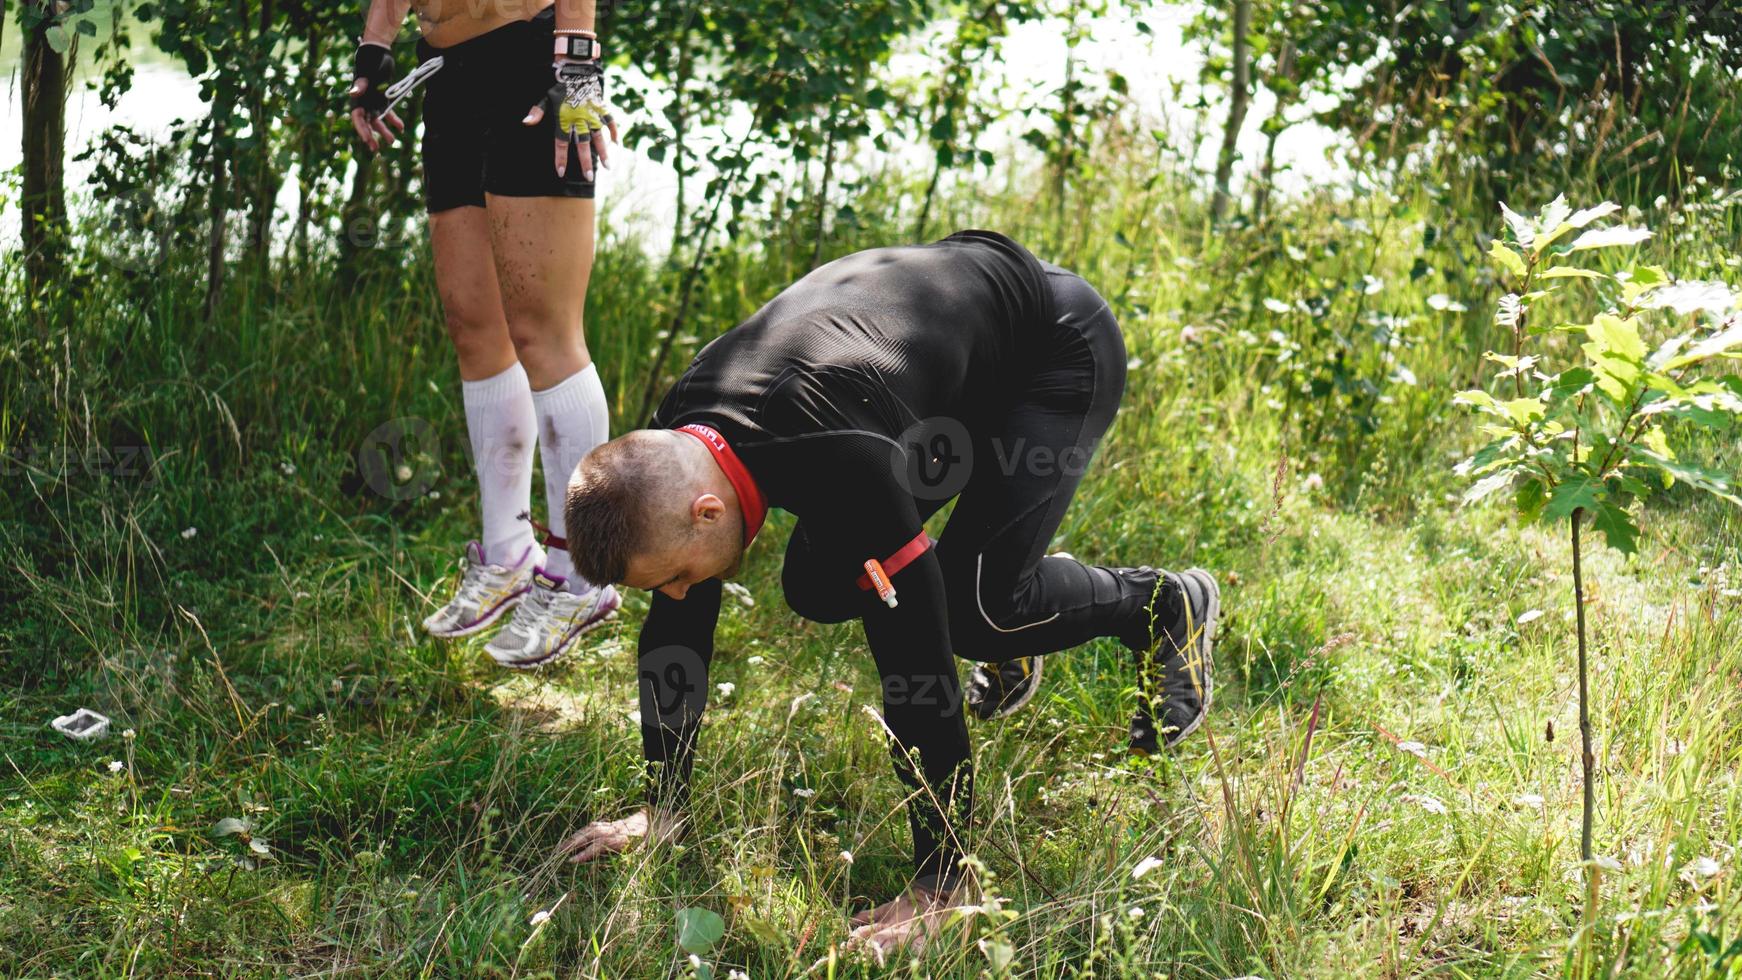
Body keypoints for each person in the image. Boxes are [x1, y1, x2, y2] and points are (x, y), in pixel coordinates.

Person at [553, 230, 1220, 959]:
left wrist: (942, 881)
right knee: (817, 584)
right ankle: (1001, 605)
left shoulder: (831, 447)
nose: (681, 594)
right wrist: (665, 808)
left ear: (707, 513)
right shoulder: (677, 442)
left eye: (676, 575)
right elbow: (676, 633)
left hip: (1050, 348)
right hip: (937, 377)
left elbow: (916, 666)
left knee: (970, 611)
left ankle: (1162, 604)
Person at [348, 0, 622, 667]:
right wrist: (374, 48)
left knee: (544, 334)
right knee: (475, 329)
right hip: (444, 68)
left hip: (532, 60)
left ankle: (581, 575)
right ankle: (506, 555)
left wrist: (577, 62)